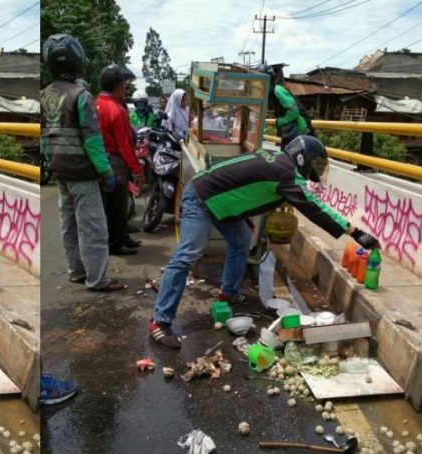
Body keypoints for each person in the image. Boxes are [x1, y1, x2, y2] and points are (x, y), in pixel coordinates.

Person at [149, 136, 379, 348]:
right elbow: (315, 208)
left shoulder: (277, 159)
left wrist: (242, 216)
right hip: (201, 197)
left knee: (241, 240)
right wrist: (355, 232)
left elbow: (243, 185)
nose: (315, 170)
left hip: (218, 200)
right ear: (301, 158)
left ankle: (228, 293)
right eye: (314, 163)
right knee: (186, 256)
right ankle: (159, 321)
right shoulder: (286, 173)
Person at [41, 33, 125, 292]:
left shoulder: (44, 94)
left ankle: (76, 271)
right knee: (93, 228)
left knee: (69, 225)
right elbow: (91, 140)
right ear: (77, 61)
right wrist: (106, 171)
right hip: (82, 173)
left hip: (59, 172)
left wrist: (49, 161)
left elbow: (44, 137)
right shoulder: (81, 95)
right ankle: (97, 279)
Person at [96, 64, 145, 255]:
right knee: (117, 205)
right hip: (115, 161)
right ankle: (115, 243)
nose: (126, 90)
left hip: (102, 160)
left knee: (113, 203)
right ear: (117, 86)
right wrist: (138, 170)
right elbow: (125, 145)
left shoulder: (97, 103)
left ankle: (121, 237)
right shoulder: (116, 110)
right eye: (125, 86)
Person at [256, 64, 314, 149]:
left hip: (300, 130)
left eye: (262, 80)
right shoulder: (271, 94)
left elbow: (294, 112)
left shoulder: (278, 90)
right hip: (291, 130)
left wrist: (280, 121)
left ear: (269, 79)